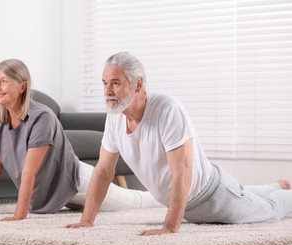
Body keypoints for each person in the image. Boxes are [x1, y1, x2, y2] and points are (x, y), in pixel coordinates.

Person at [65, 52, 292, 235]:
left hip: (213, 196)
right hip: (189, 205)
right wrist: (87, 220)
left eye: (115, 83)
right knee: (243, 193)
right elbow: (104, 171)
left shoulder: (167, 109)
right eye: (104, 83)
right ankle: (276, 186)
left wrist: (169, 227)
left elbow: (182, 172)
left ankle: (284, 194)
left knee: (269, 210)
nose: (107, 91)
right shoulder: (115, 116)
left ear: (138, 84)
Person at [0, 59, 160, 221]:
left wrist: (19, 215)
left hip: (76, 182)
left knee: (136, 201)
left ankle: (175, 198)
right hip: (51, 193)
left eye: (4, 81)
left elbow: (30, 170)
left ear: (22, 86)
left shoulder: (41, 117)